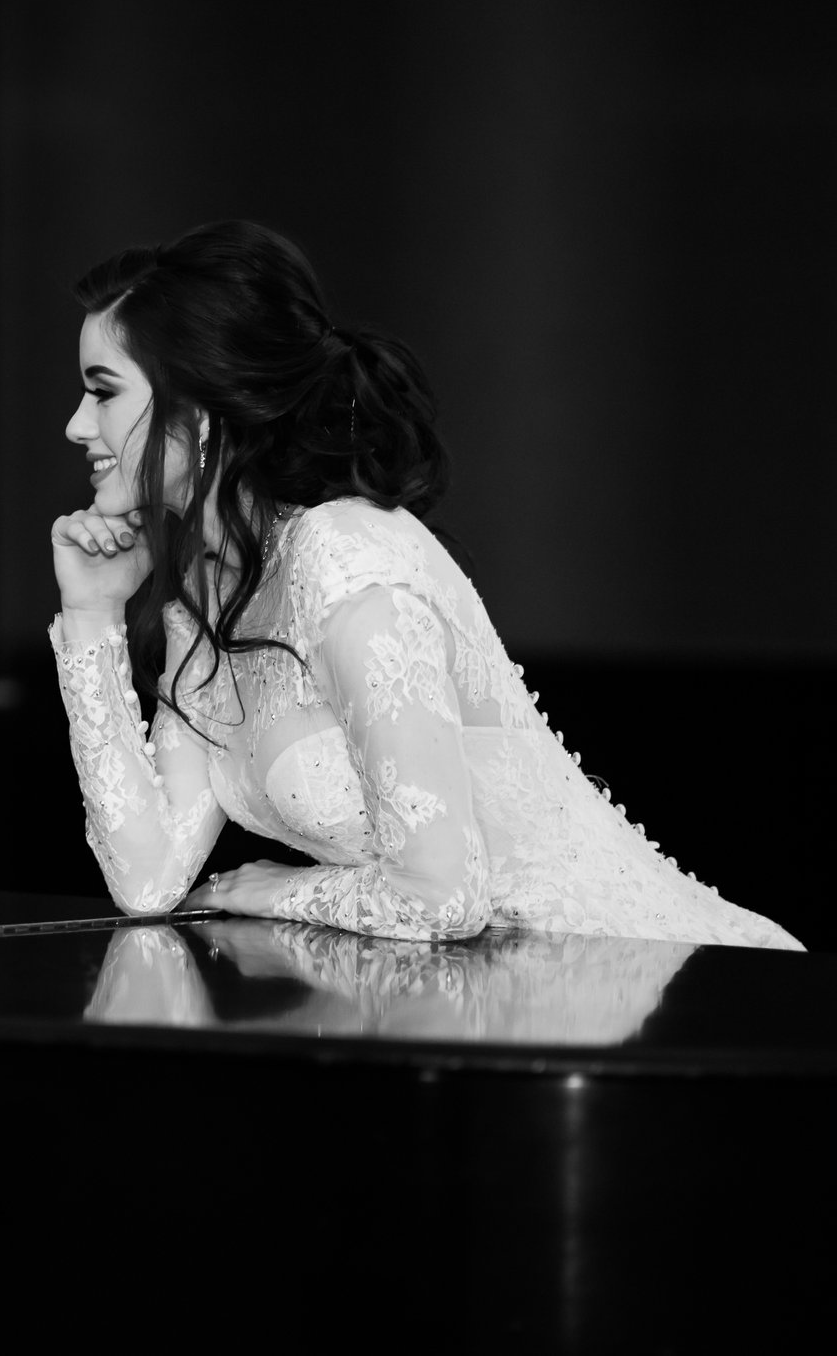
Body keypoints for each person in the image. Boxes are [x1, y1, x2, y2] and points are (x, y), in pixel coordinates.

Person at [48, 220, 798, 949]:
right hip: (489, 1001)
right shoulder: (207, 585)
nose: (78, 425)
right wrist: (91, 613)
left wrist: (277, 890)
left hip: (651, 982)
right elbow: (146, 879)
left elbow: (442, 898)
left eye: (103, 391)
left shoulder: (346, 558)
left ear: (200, 409)